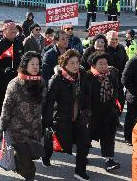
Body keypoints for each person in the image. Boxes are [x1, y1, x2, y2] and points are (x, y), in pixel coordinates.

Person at [42, 49, 91, 180]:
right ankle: (45, 157)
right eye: (71, 63)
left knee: (84, 143)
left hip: (79, 117)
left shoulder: (82, 75)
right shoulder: (57, 79)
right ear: (64, 64)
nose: (75, 66)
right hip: (61, 117)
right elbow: (49, 101)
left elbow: (87, 94)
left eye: (77, 62)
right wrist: (47, 121)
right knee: (51, 142)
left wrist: (87, 110)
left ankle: (80, 171)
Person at [0, 51, 46, 180]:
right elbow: (6, 106)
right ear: (25, 65)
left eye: (37, 64)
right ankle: (27, 172)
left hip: (35, 128)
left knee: (33, 155)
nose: (36, 67)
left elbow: (44, 103)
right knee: (28, 168)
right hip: (17, 130)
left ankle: (18, 162)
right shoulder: (15, 84)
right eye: (32, 64)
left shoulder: (41, 82)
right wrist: (2, 126)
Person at [0, 20, 24, 139]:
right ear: (4, 31)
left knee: (14, 108)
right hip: (0, 83)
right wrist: (3, 70)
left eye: (15, 29)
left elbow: (22, 61)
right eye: (10, 29)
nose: (13, 31)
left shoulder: (19, 44)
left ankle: (12, 133)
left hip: (16, 83)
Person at [86, 52, 121, 171]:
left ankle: (109, 160)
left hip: (109, 112)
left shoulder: (112, 75)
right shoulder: (88, 77)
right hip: (92, 114)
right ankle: (83, 155)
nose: (104, 66)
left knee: (109, 137)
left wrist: (116, 109)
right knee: (87, 137)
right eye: (100, 63)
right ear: (94, 65)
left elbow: (117, 91)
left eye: (105, 63)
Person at [105, 31, 128, 121]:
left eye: (116, 39)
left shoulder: (121, 48)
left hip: (119, 81)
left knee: (120, 100)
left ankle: (117, 118)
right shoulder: (104, 49)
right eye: (111, 39)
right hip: (107, 82)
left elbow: (126, 62)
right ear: (107, 39)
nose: (114, 41)